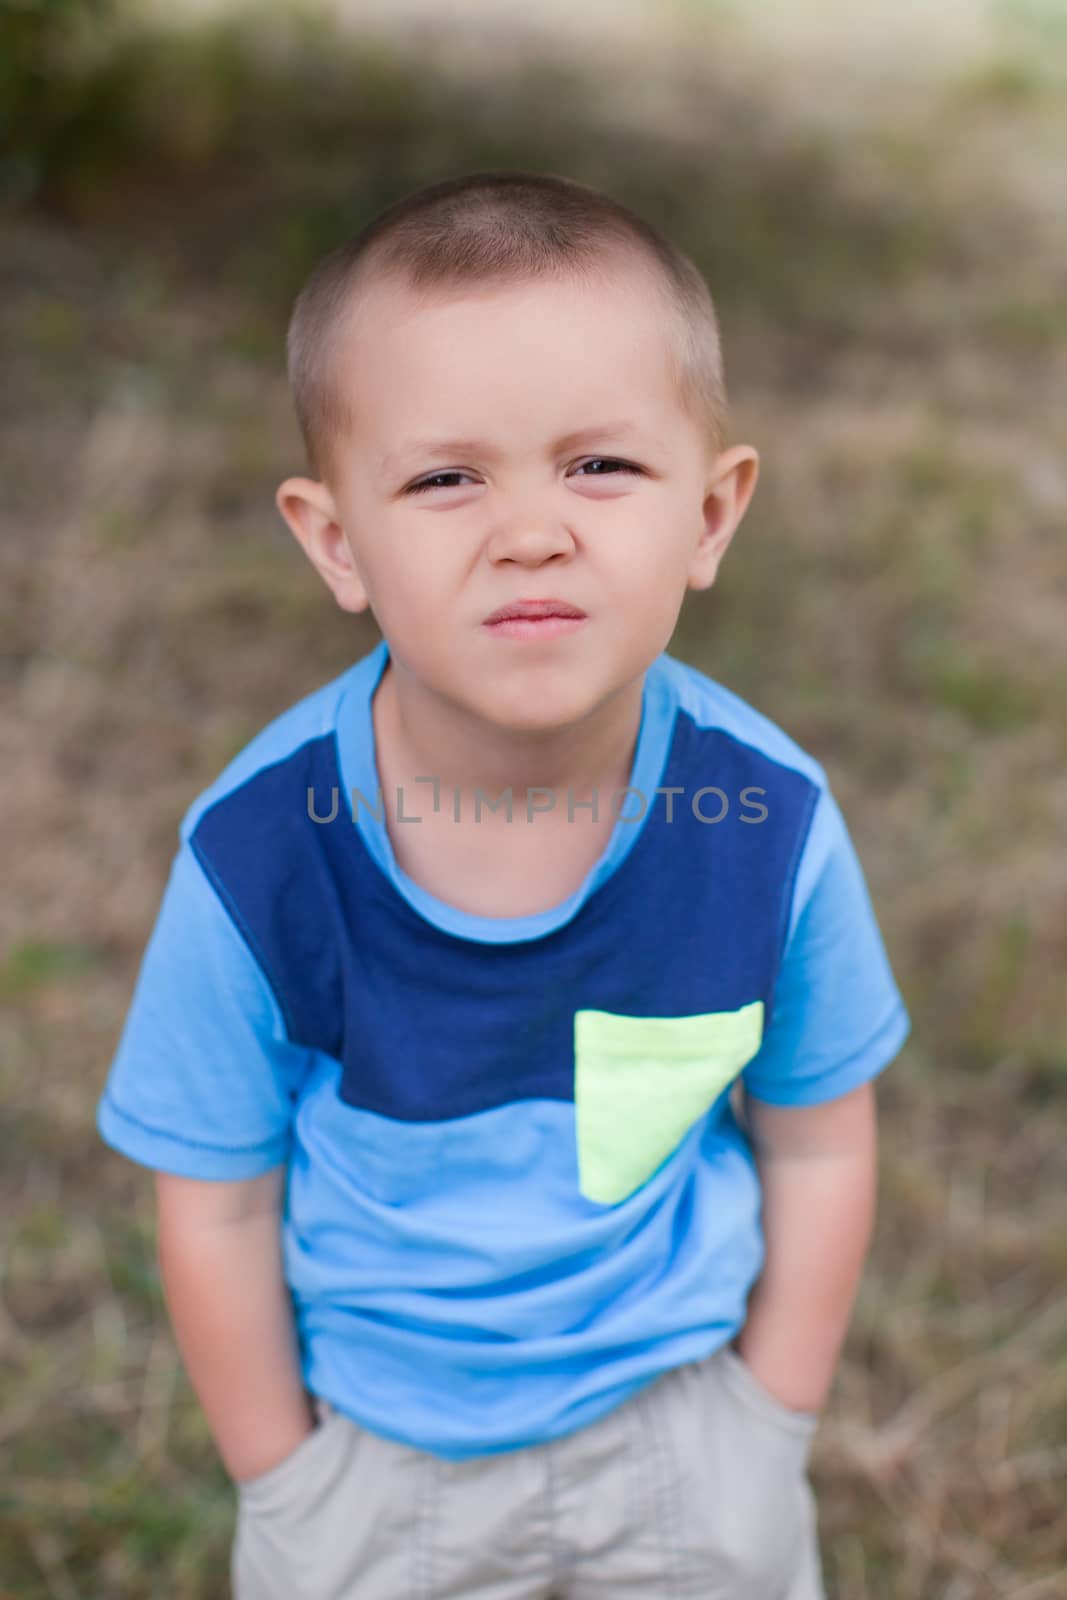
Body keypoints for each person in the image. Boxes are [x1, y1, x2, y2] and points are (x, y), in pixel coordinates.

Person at [95, 170, 911, 1600]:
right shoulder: (263, 853)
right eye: (445, 476)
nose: (530, 529)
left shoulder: (766, 823)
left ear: (712, 516)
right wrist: (287, 1481)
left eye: (600, 465)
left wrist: (763, 1419)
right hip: (375, 1463)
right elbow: (214, 1195)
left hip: (678, 1430)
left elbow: (821, 1137)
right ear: (338, 540)